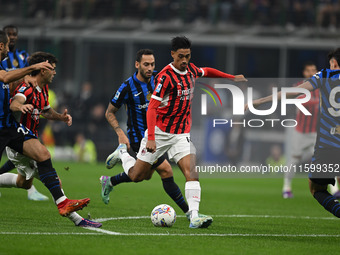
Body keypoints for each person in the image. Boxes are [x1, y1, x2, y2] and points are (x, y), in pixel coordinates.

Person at [107, 36, 247, 228]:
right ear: (172, 54)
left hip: (181, 133)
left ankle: (195, 216)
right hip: (160, 133)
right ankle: (122, 153)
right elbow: (152, 108)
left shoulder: (190, 69)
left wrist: (231, 78)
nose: (184, 61)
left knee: (192, 172)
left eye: (187, 56)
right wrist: (152, 139)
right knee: (137, 176)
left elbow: (207, 71)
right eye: (180, 56)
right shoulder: (165, 77)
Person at [0, 33, 92, 225]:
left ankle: (71, 212)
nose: (55, 72)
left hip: (18, 136)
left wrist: (61, 117)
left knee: (24, 182)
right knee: (47, 165)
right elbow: (15, 102)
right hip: (18, 137)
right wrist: (20, 106)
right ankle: (77, 219)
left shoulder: (42, 91)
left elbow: (45, 111)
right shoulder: (27, 87)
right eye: (52, 69)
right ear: (43, 70)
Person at [248, 48, 340, 219]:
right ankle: (287, 187)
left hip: (326, 142)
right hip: (303, 131)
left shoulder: (324, 76)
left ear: (333, 63)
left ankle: (335, 197)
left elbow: (290, 94)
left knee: (316, 188)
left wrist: (261, 101)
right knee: (296, 158)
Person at [101, 49, 190, 217]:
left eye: (152, 64)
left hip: (160, 136)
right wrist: (120, 133)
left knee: (141, 176)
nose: (150, 68)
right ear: (137, 65)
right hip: (140, 138)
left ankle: (111, 179)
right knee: (166, 171)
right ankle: (189, 212)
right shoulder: (127, 87)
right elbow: (109, 112)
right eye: (146, 64)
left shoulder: (159, 78)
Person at [0, 24, 48, 201]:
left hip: (13, 113)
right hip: (12, 109)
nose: (12, 38)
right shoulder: (5, 62)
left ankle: (35, 190)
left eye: (14, 34)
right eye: (8, 36)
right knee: (29, 154)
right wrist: (28, 72)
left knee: (31, 153)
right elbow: (5, 77)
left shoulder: (21, 56)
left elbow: (11, 81)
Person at [282, 62, 319, 198]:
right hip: (300, 131)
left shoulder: (322, 88)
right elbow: (302, 101)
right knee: (294, 159)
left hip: (316, 131)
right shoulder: (298, 87)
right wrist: (320, 102)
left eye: (314, 70)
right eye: (308, 70)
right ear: (304, 73)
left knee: (325, 160)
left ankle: (335, 190)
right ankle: (286, 187)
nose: (311, 73)